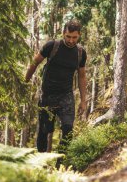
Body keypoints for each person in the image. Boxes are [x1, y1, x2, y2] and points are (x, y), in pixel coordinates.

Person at [25, 19, 87, 163]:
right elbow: (35, 63)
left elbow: (82, 76)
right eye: (68, 36)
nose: (71, 40)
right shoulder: (52, 46)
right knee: (44, 131)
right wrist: (25, 80)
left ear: (79, 36)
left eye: (74, 37)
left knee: (68, 127)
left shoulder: (80, 53)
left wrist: (84, 101)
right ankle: (40, 164)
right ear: (63, 33)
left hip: (66, 96)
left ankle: (60, 164)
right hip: (47, 95)